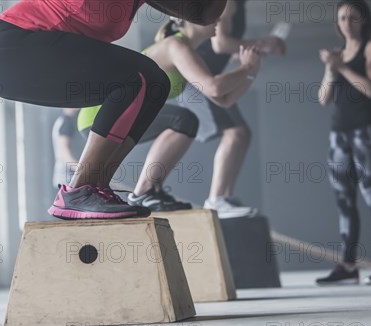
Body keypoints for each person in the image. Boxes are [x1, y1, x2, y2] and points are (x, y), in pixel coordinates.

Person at [0, 0, 227, 219]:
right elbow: (206, 11)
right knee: (141, 75)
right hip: (16, 45)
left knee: (154, 84)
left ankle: (96, 189)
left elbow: (204, 12)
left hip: (33, 51)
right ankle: (79, 191)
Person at [77, 18, 262, 211]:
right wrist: (246, 67)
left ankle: (147, 191)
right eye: (210, 15)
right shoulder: (175, 46)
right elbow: (214, 87)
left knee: (185, 121)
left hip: (127, 116)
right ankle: (145, 192)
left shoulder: (191, 54)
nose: (218, 20)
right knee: (183, 120)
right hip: (101, 116)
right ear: (188, 20)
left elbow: (225, 100)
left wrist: (251, 72)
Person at [174, 0, 286, 218]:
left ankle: (223, 197)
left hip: (209, 76)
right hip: (198, 77)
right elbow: (220, 44)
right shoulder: (229, 3)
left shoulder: (237, 5)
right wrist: (264, 43)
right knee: (235, 134)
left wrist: (245, 54)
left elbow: (223, 48)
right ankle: (216, 199)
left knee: (242, 134)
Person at [316, 0, 371, 285]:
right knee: (344, 200)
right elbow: (323, 99)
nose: (347, 22)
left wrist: (342, 67)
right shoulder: (337, 55)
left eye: (353, 17)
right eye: (342, 17)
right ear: (337, 23)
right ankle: (348, 265)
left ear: (363, 20)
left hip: (364, 130)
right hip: (339, 131)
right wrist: (330, 69)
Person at [52, 108, 79, 188]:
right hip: (68, 180)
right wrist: (80, 170)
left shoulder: (62, 121)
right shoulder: (67, 122)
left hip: (64, 179)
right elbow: (64, 150)